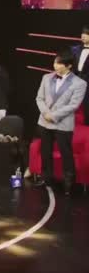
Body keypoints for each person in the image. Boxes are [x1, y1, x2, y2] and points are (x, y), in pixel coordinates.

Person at [33, 52, 87, 196]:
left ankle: (69, 182)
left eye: (59, 63)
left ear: (68, 66)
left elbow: (73, 105)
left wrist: (54, 116)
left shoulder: (80, 83)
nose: (55, 66)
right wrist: (46, 114)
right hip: (44, 122)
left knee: (66, 153)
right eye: (55, 62)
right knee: (45, 152)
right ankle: (46, 179)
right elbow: (39, 98)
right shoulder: (46, 77)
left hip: (63, 124)